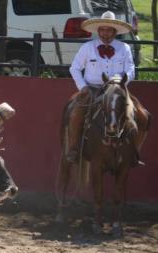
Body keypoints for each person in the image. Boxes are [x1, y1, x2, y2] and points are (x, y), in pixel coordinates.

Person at [68, 11, 149, 165]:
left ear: (115, 31)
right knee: (75, 113)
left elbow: (131, 69)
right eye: (103, 30)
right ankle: (73, 149)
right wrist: (83, 86)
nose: (106, 33)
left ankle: (134, 153)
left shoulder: (124, 48)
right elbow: (75, 68)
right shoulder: (87, 47)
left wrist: (121, 82)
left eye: (109, 30)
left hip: (118, 89)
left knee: (144, 116)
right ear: (98, 31)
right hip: (92, 88)